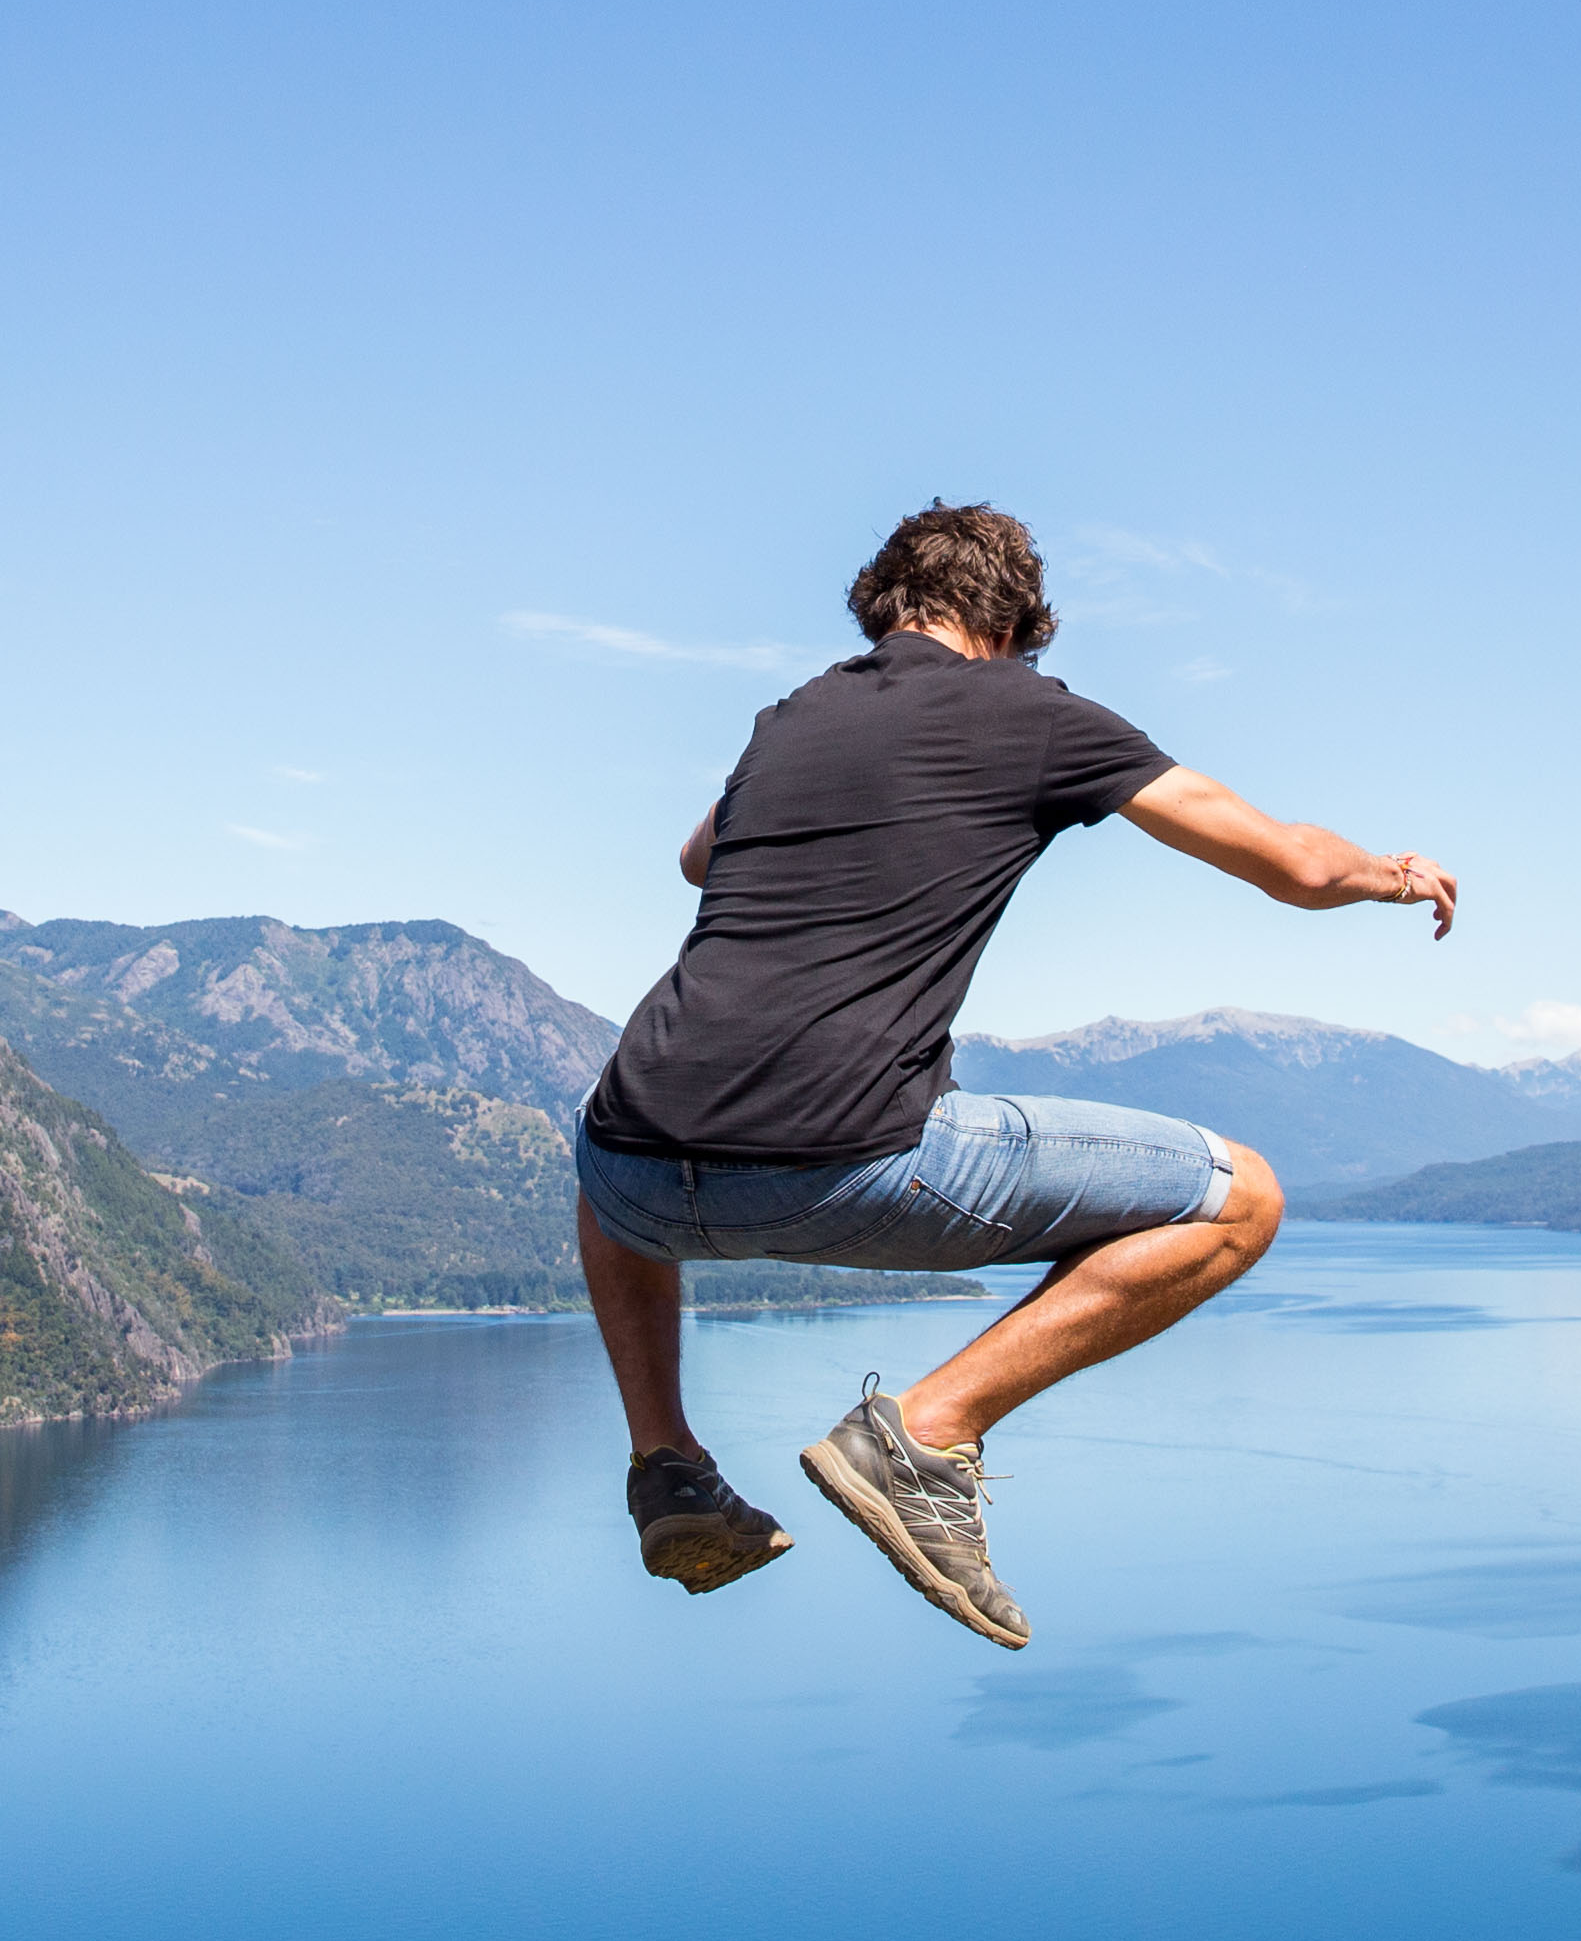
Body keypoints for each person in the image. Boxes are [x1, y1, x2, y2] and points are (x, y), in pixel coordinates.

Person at [571, 501, 1458, 1650]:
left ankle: (666, 1462)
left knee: (617, 1120)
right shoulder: (1029, 712)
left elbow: (698, 859)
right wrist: (1394, 875)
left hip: (635, 1180)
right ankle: (926, 1433)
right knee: (1244, 1199)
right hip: (849, 1159)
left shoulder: (789, 716)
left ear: (883, 606)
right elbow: (1292, 864)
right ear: (1014, 623)